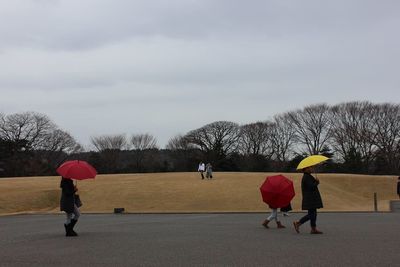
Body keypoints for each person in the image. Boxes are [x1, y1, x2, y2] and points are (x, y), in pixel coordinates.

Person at [293, 166, 323, 234]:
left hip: (311, 198)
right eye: (310, 168)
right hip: (310, 198)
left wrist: (315, 181)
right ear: (306, 169)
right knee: (312, 214)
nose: (311, 169)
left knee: (313, 214)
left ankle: (313, 229)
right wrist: (317, 182)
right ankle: (298, 223)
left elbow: (311, 185)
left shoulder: (308, 176)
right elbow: (311, 187)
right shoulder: (306, 177)